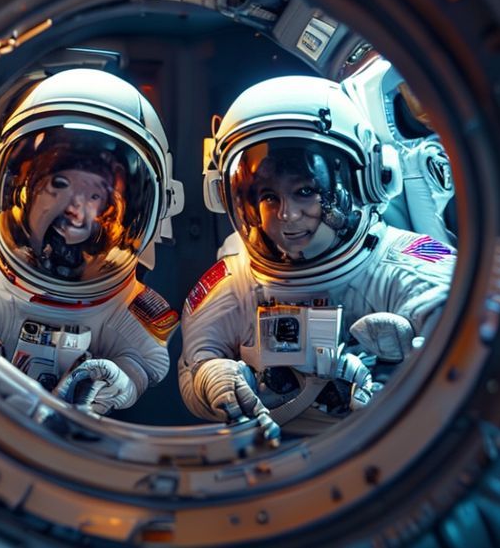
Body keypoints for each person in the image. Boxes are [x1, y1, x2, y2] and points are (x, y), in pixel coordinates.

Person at [178, 75, 456, 437]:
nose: (287, 215)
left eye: (305, 191)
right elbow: (192, 366)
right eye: (269, 198)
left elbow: (463, 319)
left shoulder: (397, 262)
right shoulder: (234, 281)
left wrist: (415, 360)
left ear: (371, 179)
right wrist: (211, 382)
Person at [0, 68, 184, 415]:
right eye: (59, 185)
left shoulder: (125, 303)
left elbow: (147, 361)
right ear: (20, 188)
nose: (76, 211)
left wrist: (117, 380)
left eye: (95, 196)